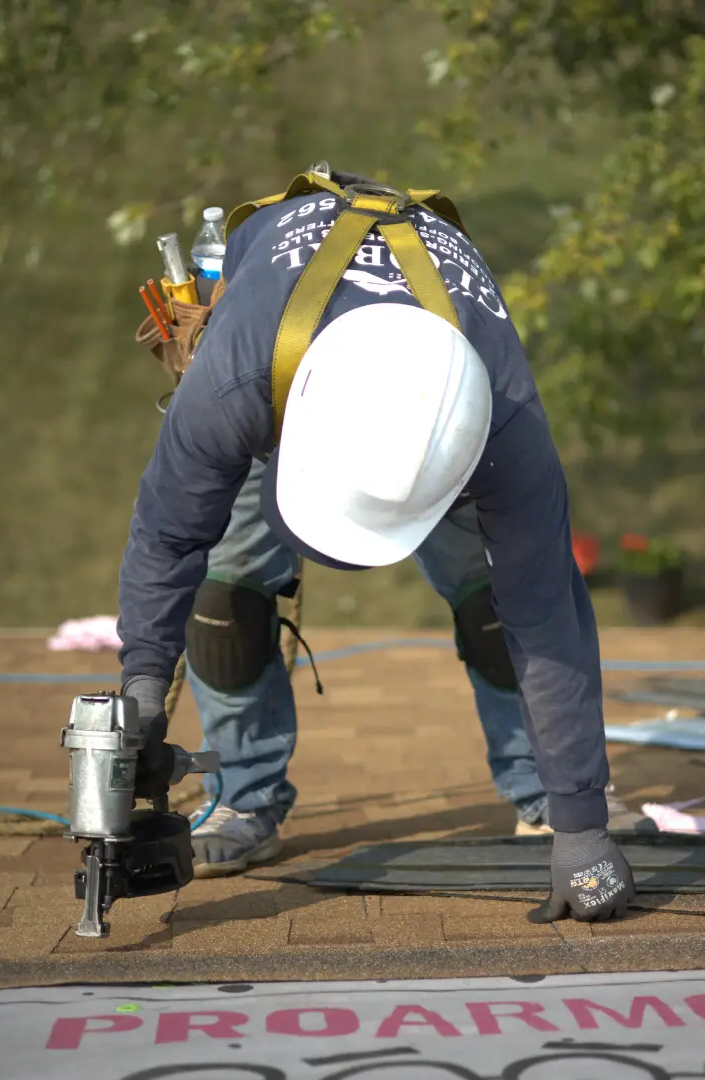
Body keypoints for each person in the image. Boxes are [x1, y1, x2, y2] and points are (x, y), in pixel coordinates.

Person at [118, 167, 636, 922]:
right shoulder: (234, 384)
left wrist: (582, 825)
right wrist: (141, 688)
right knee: (225, 596)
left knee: (500, 603)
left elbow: (549, 618)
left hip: (438, 401)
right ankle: (244, 800)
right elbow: (168, 536)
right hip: (282, 360)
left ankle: (543, 798)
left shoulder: (505, 423)